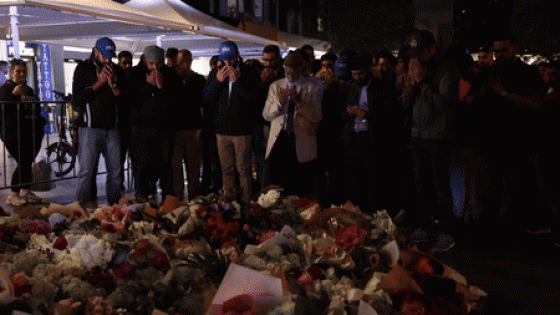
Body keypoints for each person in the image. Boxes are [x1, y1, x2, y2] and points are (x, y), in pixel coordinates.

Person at [402, 30, 461, 251]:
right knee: (421, 184)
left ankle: (446, 231)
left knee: (440, 185)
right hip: (418, 135)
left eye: (420, 52)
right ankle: (425, 226)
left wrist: (423, 81)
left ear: (433, 49)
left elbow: (443, 105)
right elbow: (406, 104)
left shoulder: (447, 68)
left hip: (438, 136)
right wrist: (412, 83)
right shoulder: (417, 68)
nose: (416, 58)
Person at [342, 53, 402, 215]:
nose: (358, 77)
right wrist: (350, 113)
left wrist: (370, 114)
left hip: (373, 141)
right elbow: (339, 114)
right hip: (353, 139)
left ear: (369, 70)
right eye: (354, 74)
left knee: (373, 182)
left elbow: (391, 114)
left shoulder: (382, 87)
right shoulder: (348, 87)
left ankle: (374, 215)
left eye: (361, 74)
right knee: (354, 181)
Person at [203, 40, 261, 206]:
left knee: (243, 169)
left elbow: (253, 100)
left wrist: (238, 82)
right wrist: (217, 82)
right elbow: (206, 100)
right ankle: (229, 202)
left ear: (237, 56)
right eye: (224, 59)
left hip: (242, 130)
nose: (228, 63)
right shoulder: (215, 73)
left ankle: (246, 202)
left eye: (231, 59)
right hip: (222, 130)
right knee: (226, 170)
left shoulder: (249, 73)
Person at [72, 37, 125, 206]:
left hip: (113, 129)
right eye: (105, 55)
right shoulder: (83, 69)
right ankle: (81, 207)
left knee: (115, 172)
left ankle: (115, 206)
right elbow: (76, 101)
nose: (108, 60)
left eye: (111, 56)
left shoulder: (118, 71)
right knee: (86, 171)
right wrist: (99, 83)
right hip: (89, 128)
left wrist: (112, 85)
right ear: (96, 52)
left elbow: (125, 101)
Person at [263, 50, 323, 197]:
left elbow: (317, 117)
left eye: (293, 74)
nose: (290, 77)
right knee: (279, 186)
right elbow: (266, 115)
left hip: (300, 139)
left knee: (300, 186)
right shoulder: (276, 86)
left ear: (300, 71)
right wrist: (279, 103)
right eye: (287, 73)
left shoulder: (313, 86)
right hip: (281, 139)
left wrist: (299, 102)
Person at [128, 45, 182, 202]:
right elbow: (132, 101)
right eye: (151, 63)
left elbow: (177, 101)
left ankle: (168, 198)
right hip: (141, 128)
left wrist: (161, 87)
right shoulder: (134, 73)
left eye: (158, 63)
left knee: (166, 164)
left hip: (164, 128)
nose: (155, 67)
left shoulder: (170, 74)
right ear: (145, 60)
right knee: (142, 164)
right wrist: (148, 85)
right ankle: (142, 198)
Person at [0, 59, 46, 206]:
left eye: (23, 71)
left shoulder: (29, 90)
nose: (21, 74)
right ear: (12, 73)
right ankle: (13, 194)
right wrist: (13, 95)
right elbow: (3, 110)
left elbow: (36, 107)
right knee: (24, 162)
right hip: (13, 134)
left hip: (31, 133)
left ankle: (26, 191)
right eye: (18, 71)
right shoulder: (5, 90)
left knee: (27, 162)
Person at [172, 49, 206, 200]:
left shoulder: (198, 80)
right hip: (176, 129)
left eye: (180, 63)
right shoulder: (173, 79)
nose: (178, 67)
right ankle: (178, 199)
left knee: (193, 168)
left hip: (193, 128)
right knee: (176, 167)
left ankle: (193, 199)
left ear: (187, 63)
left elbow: (197, 101)